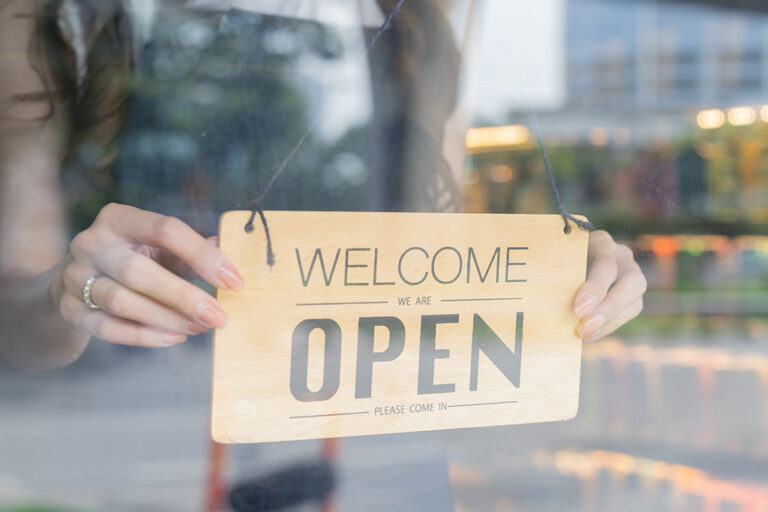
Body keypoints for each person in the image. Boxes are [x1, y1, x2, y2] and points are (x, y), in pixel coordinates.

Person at [0, 0, 646, 373]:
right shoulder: (59, 18)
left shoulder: (424, 20)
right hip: (138, 457)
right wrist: (74, 288)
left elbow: (430, 274)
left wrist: (561, 280)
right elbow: (15, 323)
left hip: (385, 456)